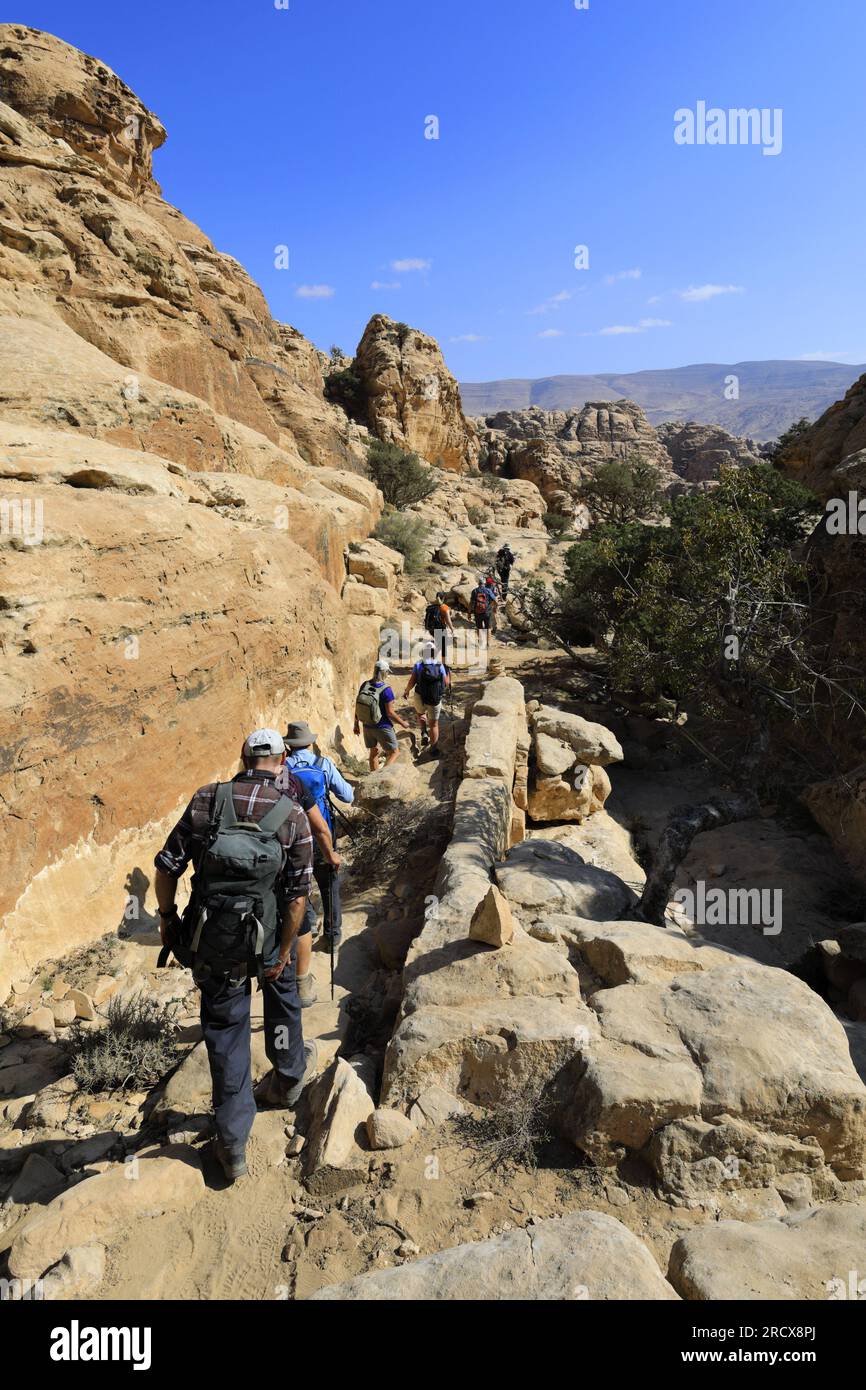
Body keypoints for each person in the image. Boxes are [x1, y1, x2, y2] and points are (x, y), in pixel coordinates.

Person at [154, 729, 317, 1183]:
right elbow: (298, 897)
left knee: (226, 1032)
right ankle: (286, 1080)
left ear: (242, 756)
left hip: (216, 942)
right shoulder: (292, 814)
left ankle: (232, 1143)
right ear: (282, 759)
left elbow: (166, 866)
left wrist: (167, 918)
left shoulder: (208, 799)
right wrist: (284, 951)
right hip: (268, 941)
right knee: (283, 1002)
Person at [282, 720, 354, 974]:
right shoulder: (323, 765)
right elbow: (348, 795)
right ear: (310, 742)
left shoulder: (282, 770)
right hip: (323, 837)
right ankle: (333, 935)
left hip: (292, 840)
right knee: (329, 884)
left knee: (297, 885)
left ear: (288, 747)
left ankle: (309, 923)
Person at [273, 762, 341, 1008]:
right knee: (302, 915)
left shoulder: (233, 788)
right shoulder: (303, 778)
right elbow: (321, 827)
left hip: (260, 871)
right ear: (281, 756)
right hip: (299, 856)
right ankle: (302, 984)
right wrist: (331, 854)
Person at [353, 658, 410, 770]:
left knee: (374, 752)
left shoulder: (365, 684)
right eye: (387, 672)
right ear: (384, 672)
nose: (388, 674)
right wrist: (403, 723)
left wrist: (356, 724)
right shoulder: (386, 690)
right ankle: (380, 778)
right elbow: (390, 713)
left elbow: (358, 705)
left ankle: (372, 778)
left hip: (367, 726)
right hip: (382, 727)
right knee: (394, 752)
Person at [405, 643, 451, 755]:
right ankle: (434, 749)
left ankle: (424, 732)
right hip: (435, 698)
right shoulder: (439, 665)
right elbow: (446, 683)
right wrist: (449, 674)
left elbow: (412, 681)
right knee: (434, 724)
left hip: (420, 695)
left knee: (420, 713)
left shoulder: (419, 665)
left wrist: (406, 691)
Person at [423, 590, 455, 664]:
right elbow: (448, 620)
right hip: (440, 629)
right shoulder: (444, 607)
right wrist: (452, 628)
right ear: (443, 598)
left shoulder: (431, 607)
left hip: (431, 629)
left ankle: (430, 658)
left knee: (439, 644)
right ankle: (443, 664)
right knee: (443, 646)